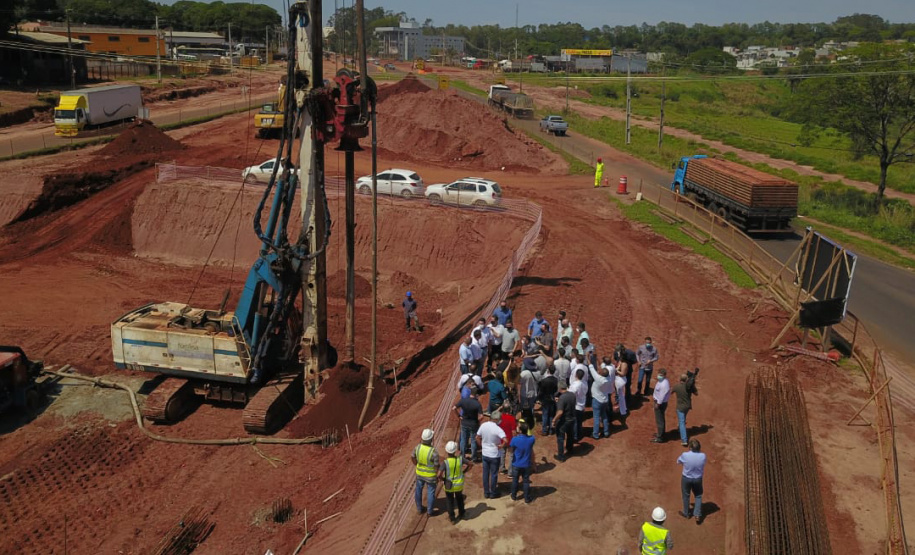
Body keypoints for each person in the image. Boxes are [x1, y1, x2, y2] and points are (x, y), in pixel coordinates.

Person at [477, 411, 508, 499]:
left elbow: (477, 437)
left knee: (485, 473)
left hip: (485, 453)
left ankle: (486, 492)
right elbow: (506, 440)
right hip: (494, 455)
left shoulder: (483, 425)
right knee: (494, 474)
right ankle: (493, 492)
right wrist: (501, 446)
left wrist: (482, 446)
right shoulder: (498, 429)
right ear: (497, 419)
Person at [439, 440, 471, 523]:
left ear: (447, 451)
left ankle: (452, 518)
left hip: (449, 485)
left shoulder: (445, 463)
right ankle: (462, 513)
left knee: (450, 501)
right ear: (455, 451)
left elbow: (439, 474)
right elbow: (470, 464)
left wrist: (443, 479)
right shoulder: (460, 459)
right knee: (459, 499)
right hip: (459, 485)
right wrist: (464, 471)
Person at [677, 439, 707, 523]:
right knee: (698, 495)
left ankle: (686, 513)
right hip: (698, 479)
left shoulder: (685, 455)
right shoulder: (703, 456)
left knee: (686, 495)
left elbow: (678, 461)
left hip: (686, 478)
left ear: (690, 447)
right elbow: (704, 463)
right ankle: (697, 514)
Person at [412, 428, 439, 516]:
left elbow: (412, 457)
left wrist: (416, 464)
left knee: (418, 490)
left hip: (419, 473)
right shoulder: (433, 452)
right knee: (430, 492)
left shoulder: (417, 447)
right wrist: (436, 475)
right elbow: (436, 465)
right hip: (430, 476)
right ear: (431, 439)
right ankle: (430, 511)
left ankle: (419, 508)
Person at [509, 420, 536, 503]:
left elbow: (510, 450)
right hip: (526, 464)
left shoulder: (514, 439)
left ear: (520, 430)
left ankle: (514, 495)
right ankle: (527, 498)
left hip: (516, 463)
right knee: (526, 481)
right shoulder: (532, 439)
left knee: (515, 480)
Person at [453, 388, 482, 462]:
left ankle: (463, 456)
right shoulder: (477, 404)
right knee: (473, 440)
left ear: (470, 393)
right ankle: (474, 457)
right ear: (476, 395)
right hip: (473, 424)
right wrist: (478, 421)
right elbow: (481, 416)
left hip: (464, 423)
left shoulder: (463, 401)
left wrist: (459, 416)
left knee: (463, 439)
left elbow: (454, 408)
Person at [672, 368, 699, 446]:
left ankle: (684, 440)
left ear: (680, 379)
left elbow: (670, 392)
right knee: (682, 420)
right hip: (687, 406)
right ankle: (679, 428)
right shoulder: (689, 388)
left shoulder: (676, 386)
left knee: (682, 422)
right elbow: (696, 393)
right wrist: (693, 385)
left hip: (680, 407)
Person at [552, 380, 576, 462]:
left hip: (564, 420)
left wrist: (554, 420)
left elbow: (560, 412)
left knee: (560, 437)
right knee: (570, 434)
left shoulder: (562, 398)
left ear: (559, 388)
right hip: (572, 418)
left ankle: (561, 456)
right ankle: (570, 449)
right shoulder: (572, 395)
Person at [589, 362, 613, 439]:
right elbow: (604, 371)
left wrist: (589, 359)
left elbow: (592, 369)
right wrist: (602, 365)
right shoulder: (609, 378)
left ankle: (595, 434)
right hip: (605, 400)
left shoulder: (598, 379)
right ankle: (606, 432)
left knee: (596, 418)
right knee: (604, 416)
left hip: (597, 400)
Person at [651, 369, 671, 444]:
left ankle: (660, 437)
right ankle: (661, 433)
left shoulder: (664, 384)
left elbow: (662, 396)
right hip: (659, 402)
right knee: (660, 419)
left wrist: (658, 404)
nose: (659, 376)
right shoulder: (662, 381)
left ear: (665, 375)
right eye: (659, 374)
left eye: (661, 375)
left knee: (659, 420)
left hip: (660, 403)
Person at [497, 401, 516, 474]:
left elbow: (493, 414)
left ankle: (501, 468)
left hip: (501, 439)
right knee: (511, 456)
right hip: (510, 440)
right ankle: (510, 472)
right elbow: (513, 431)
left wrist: (499, 408)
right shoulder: (512, 418)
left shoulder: (499, 417)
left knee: (502, 454)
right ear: (509, 409)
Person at [538, 367, 559, 435]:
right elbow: (557, 391)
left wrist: (539, 399)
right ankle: (551, 430)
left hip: (545, 399)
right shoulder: (556, 380)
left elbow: (541, 392)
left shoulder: (544, 381)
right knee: (551, 415)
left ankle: (544, 430)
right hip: (552, 399)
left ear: (548, 371)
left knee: (545, 414)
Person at [569, 368, 587, 442]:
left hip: (576, 405)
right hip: (582, 404)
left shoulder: (575, 385)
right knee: (579, 421)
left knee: (575, 422)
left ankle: (575, 437)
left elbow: (570, 394)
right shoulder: (585, 383)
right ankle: (579, 434)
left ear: (576, 375)